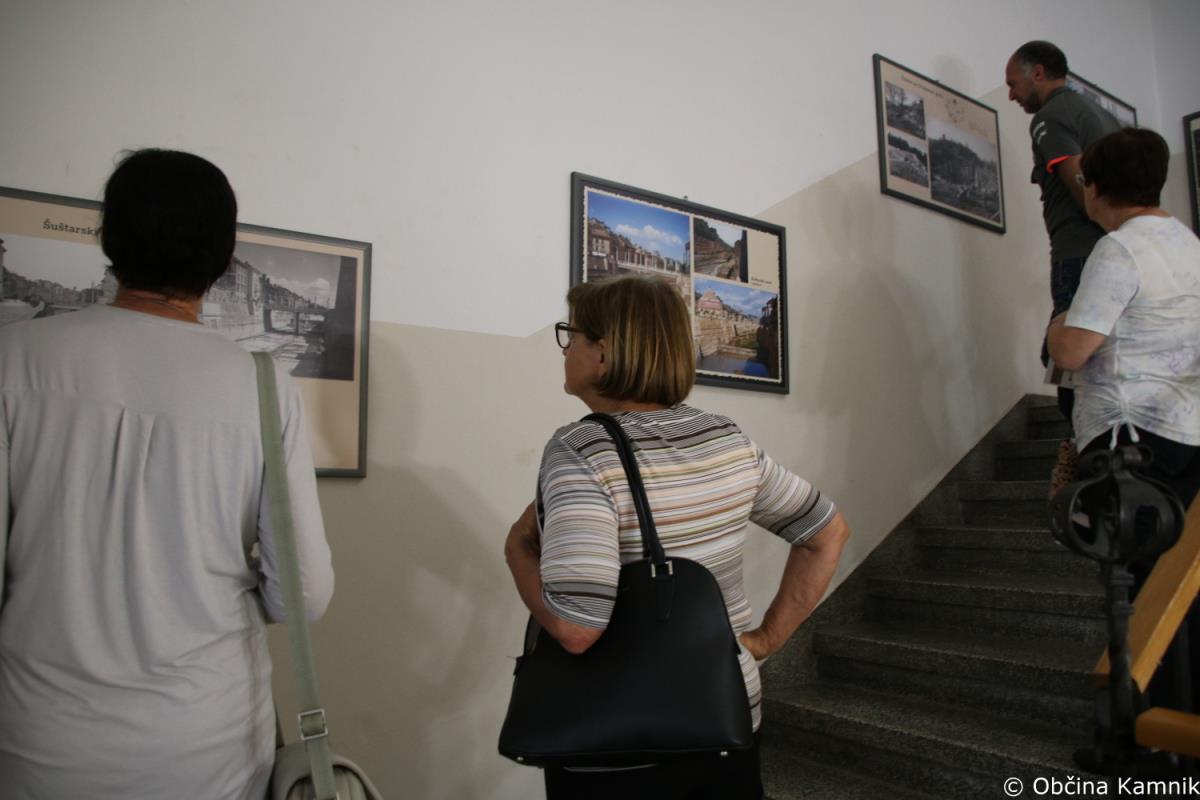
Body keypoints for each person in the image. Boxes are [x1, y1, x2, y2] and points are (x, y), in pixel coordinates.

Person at [0, 149, 335, 799]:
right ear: (223, 256)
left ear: (110, 239)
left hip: (39, 737)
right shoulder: (262, 385)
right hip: (206, 737)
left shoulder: (15, 358)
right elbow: (304, 594)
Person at [504, 274, 850, 799]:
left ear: (603, 353)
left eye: (570, 335)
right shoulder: (726, 438)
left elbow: (576, 628)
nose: (566, 347)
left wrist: (517, 551)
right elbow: (826, 532)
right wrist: (765, 641)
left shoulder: (581, 449)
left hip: (621, 736)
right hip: (724, 713)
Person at [1047, 127, 1200, 713]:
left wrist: (1055, 324)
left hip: (1130, 439)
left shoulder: (1119, 249)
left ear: (1094, 188)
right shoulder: (1188, 245)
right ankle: (1175, 721)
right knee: (1175, 588)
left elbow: (1072, 350)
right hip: (1185, 433)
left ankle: (1139, 728)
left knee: (1133, 587)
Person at [1004, 40, 1121, 493]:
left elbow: (1078, 179)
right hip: (1104, 254)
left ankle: (1080, 453)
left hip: (1079, 254)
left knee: (1065, 354)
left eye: (1013, 84)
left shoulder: (1050, 117)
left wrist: (1104, 226)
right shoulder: (1099, 114)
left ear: (1037, 73)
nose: (1011, 95)